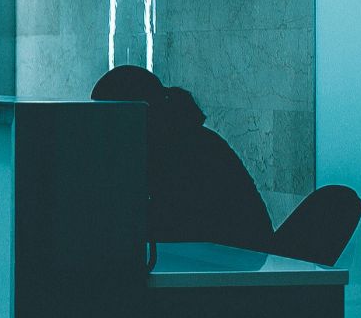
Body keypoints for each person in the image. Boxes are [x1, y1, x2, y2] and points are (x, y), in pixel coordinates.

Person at [91, 66, 276, 253]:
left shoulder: (186, 153)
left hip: (223, 266)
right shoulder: (190, 142)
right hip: (230, 262)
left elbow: (163, 226)